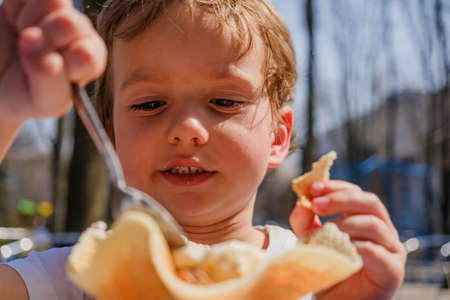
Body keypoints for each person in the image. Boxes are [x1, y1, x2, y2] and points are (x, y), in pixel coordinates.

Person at [0, 0, 406, 299]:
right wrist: (4, 109)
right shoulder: (76, 278)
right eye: (149, 104)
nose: (186, 129)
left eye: (225, 102)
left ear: (278, 138)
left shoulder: (320, 283)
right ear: (110, 135)